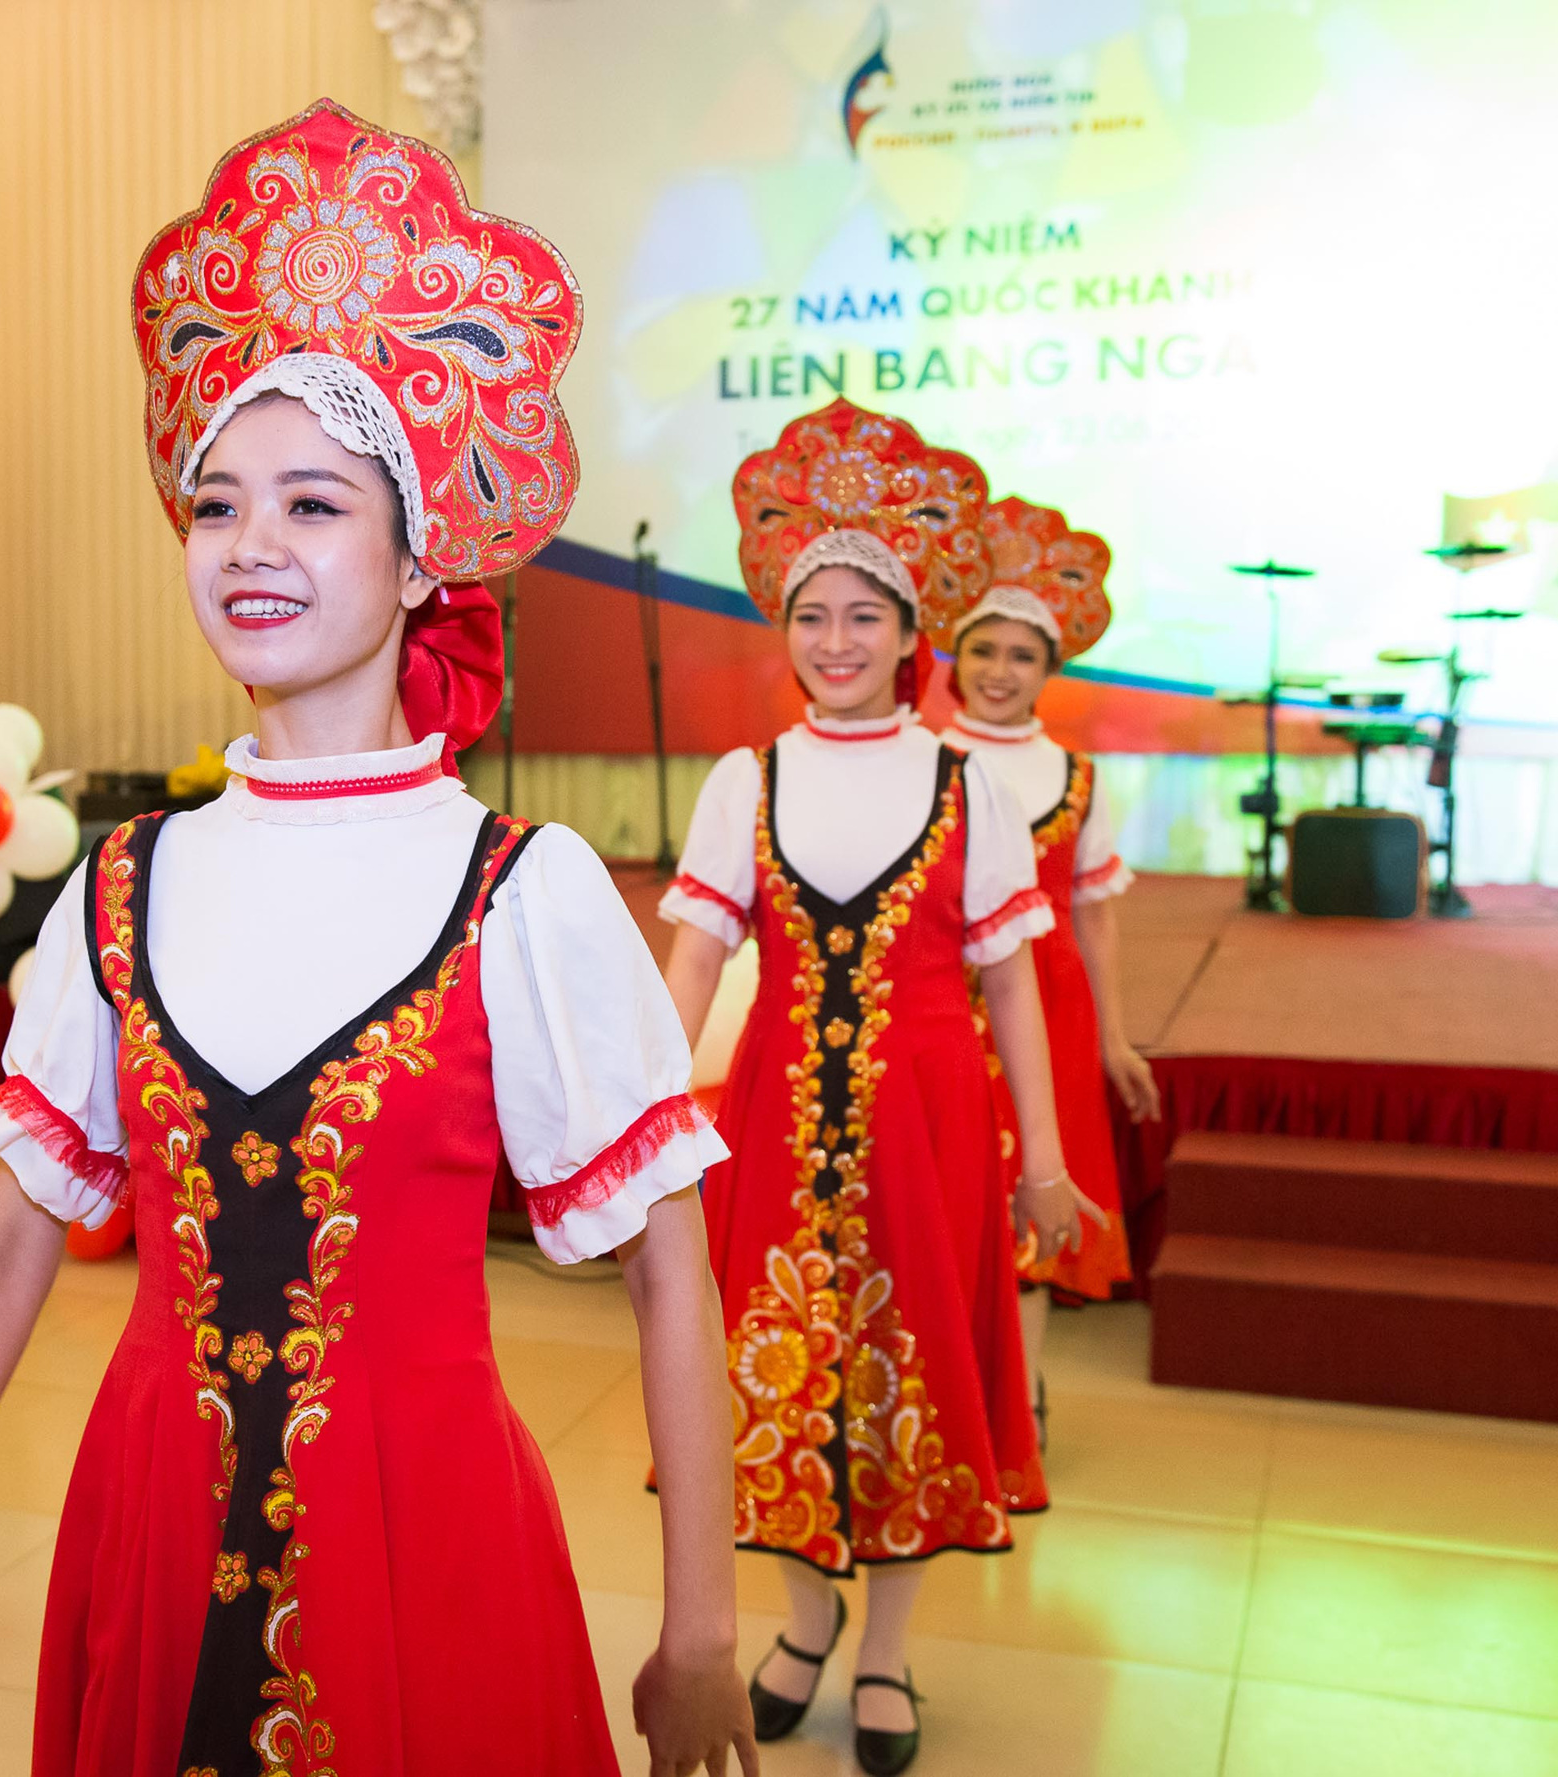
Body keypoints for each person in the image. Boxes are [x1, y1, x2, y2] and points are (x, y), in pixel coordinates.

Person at [0, 100, 757, 1777]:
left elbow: (670, 1266)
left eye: (314, 504)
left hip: (430, 1530)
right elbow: (12, 1248)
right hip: (151, 1519)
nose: (252, 543)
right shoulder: (122, 880)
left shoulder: (521, 890)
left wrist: (698, 1634)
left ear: (416, 561)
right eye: (214, 502)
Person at [658, 400, 1095, 1775]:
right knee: (777, 1376)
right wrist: (651, 1126)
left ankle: (889, 1650)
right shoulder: (747, 779)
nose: (835, 641)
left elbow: (1014, 979)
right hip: (776, 1126)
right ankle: (800, 1623)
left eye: (864, 615)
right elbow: (694, 957)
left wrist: (1046, 1160)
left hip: (934, 1121)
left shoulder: (977, 787)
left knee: (921, 1367)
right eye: (811, 616)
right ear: (783, 631)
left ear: (916, 634)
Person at [935, 497, 1162, 1414]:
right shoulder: (921, 756)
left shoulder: (1077, 775)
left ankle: (1015, 1405)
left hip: (1052, 1009)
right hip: (942, 1004)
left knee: (1033, 1206)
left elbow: (1094, 915)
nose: (999, 670)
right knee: (946, 1206)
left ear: (1048, 669)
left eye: (1021, 655)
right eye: (984, 650)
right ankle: (946, 1392)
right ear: (956, 659)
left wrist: (1114, 1038)